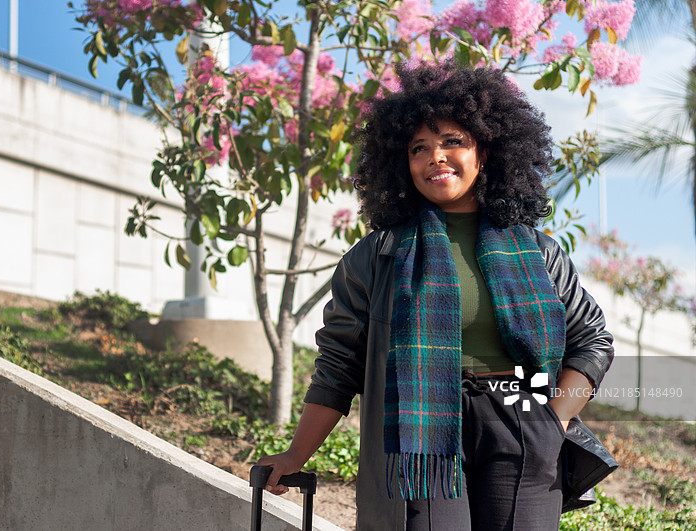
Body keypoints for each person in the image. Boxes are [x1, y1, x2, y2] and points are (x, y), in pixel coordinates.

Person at [257, 62, 614, 531]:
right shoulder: (376, 257)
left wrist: (555, 419)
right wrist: (295, 454)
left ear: (484, 151)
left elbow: (591, 341)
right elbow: (339, 365)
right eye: (419, 148)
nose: (436, 157)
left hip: (524, 419)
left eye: (453, 142)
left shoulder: (538, 251)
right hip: (423, 430)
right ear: (401, 164)